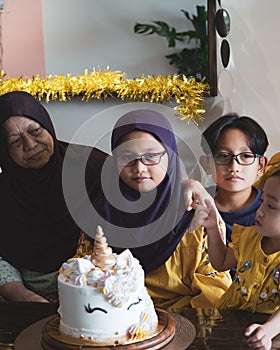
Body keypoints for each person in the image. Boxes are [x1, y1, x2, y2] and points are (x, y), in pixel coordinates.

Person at [75, 108, 232, 311]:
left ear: (170, 155)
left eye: (150, 156)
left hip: (185, 323)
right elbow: (83, 281)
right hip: (117, 324)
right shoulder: (99, 215)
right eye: (127, 157)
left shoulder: (197, 214)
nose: (139, 167)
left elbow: (217, 293)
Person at [0, 91, 107, 302]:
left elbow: (145, 186)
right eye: (15, 141)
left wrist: (188, 185)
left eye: (36, 130)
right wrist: (25, 298)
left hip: (94, 294)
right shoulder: (4, 194)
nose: (30, 145)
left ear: (46, 124)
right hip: (24, 299)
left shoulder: (91, 166)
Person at [199, 168, 280, 315]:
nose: (260, 211)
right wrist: (213, 229)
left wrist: (268, 330)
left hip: (269, 331)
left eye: (271, 206)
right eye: (262, 202)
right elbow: (221, 263)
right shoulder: (248, 237)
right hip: (230, 317)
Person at [197, 113, 268, 277]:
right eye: (223, 156)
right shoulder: (195, 203)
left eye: (246, 156)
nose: (234, 166)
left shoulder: (270, 211)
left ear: (261, 165)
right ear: (206, 164)